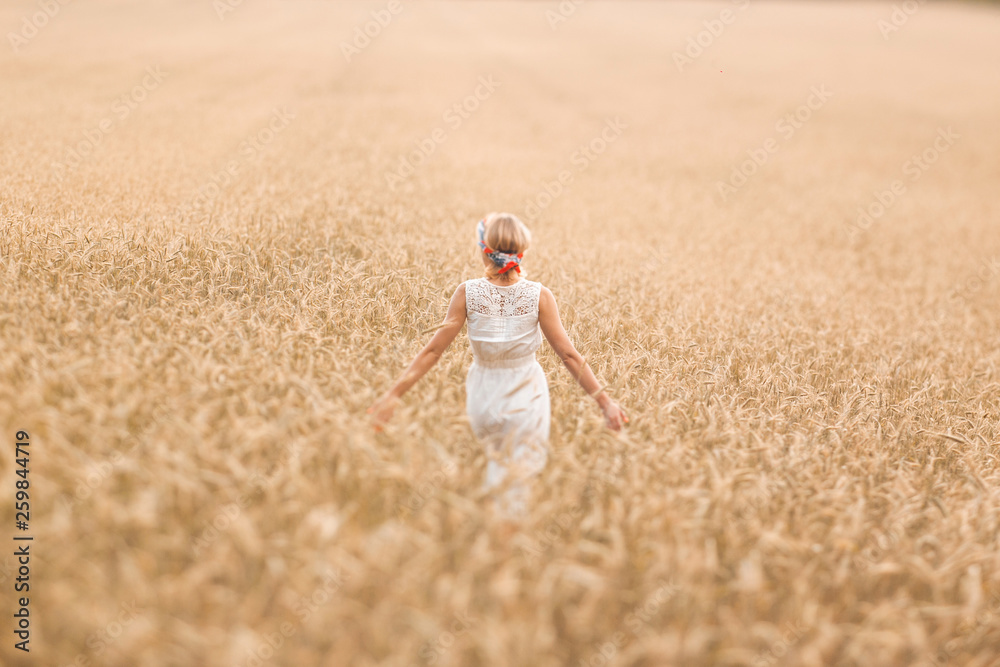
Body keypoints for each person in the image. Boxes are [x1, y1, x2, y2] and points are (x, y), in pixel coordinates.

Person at [367, 212, 628, 516]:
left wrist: (394, 394)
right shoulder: (540, 296)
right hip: (527, 396)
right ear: (523, 251)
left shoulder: (467, 292)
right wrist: (605, 402)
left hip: (484, 395)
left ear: (483, 250)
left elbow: (432, 351)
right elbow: (569, 356)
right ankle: (507, 543)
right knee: (520, 481)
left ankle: (493, 537)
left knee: (496, 468)